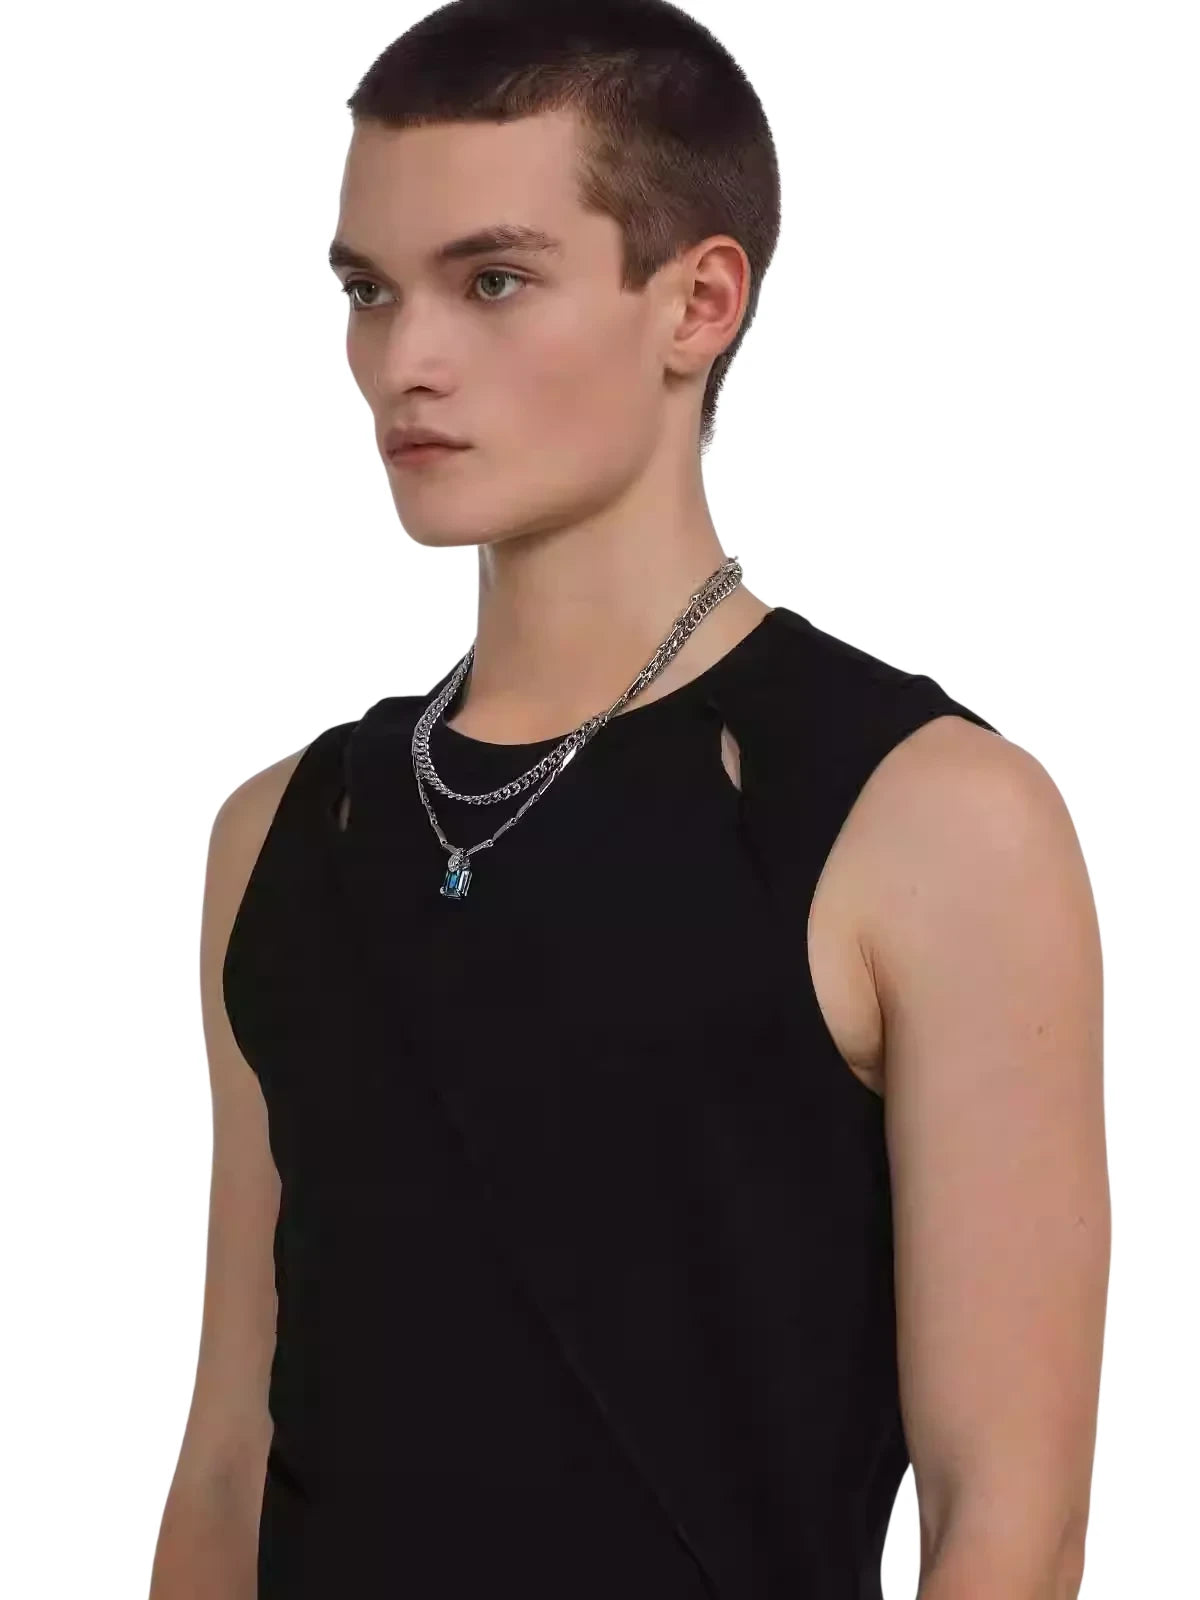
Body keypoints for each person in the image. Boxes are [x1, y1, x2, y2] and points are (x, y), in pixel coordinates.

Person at [149, 3, 1110, 1596]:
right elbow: (230, 1458)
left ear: (698, 303)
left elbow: (1011, 1515)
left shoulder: (926, 820)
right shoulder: (285, 832)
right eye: (369, 290)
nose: (406, 361)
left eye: (492, 281)